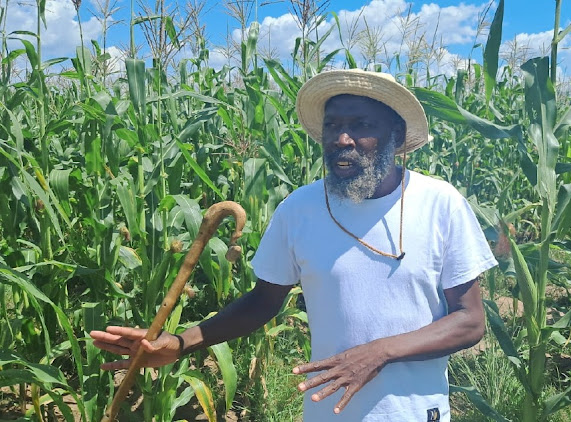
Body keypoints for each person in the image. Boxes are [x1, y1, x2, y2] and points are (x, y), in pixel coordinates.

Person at [91, 69, 498, 421]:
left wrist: (379, 352)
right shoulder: (299, 208)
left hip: (412, 411)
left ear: (394, 134)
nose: (342, 137)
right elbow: (263, 302)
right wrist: (180, 344)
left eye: (361, 125)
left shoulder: (440, 204)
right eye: (333, 124)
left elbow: (468, 320)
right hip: (329, 411)